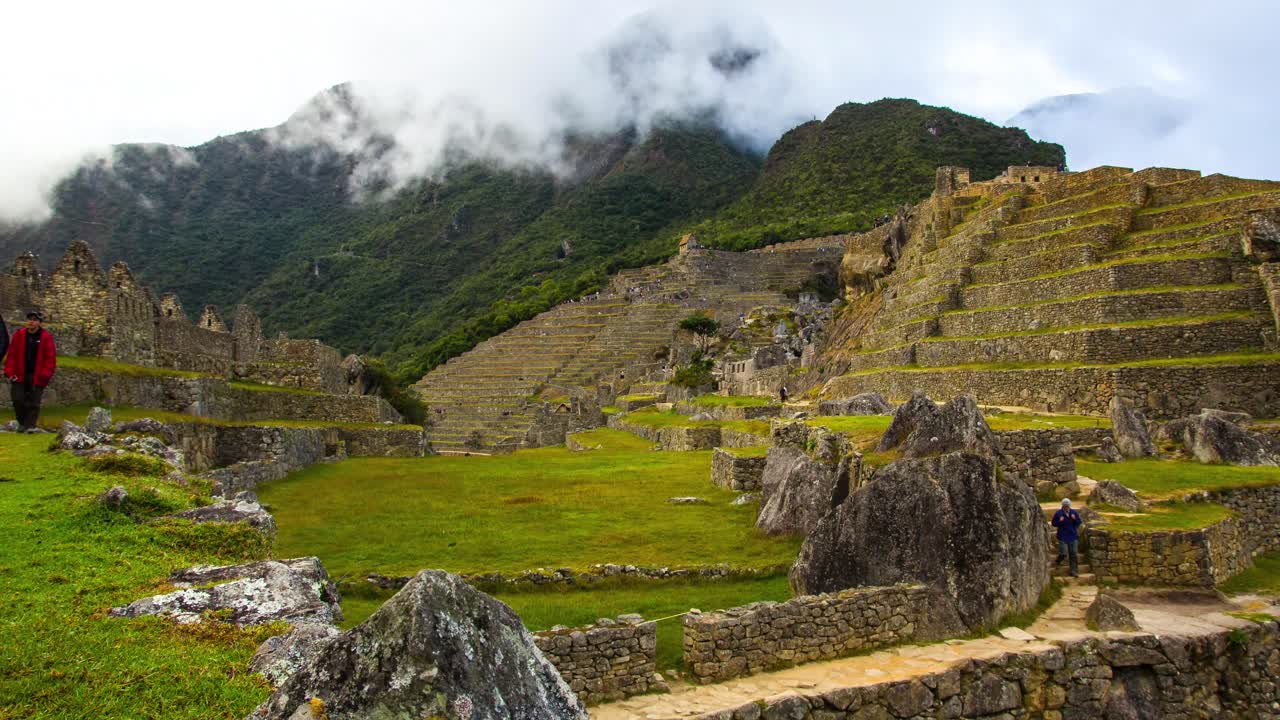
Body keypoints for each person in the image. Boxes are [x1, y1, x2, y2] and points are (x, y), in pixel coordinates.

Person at [5, 311, 56, 432]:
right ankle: (22, 423)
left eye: (34, 319)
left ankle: (30, 426)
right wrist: (9, 371)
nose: (31, 322)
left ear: (39, 322)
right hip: (19, 373)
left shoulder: (45, 337)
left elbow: (50, 358)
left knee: (34, 401)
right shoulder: (19, 335)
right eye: (29, 319)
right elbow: (12, 354)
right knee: (18, 399)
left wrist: (45, 374)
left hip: (37, 375)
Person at [1051, 498, 1083, 577]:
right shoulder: (1058, 513)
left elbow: (1079, 522)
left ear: (1069, 506)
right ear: (1062, 506)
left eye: (1068, 506)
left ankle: (1074, 571)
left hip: (1073, 536)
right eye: (1065, 506)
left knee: (1074, 554)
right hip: (1063, 536)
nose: (1066, 508)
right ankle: (1058, 560)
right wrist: (1060, 521)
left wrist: (1074, 519)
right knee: (1064, 553)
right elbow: (1054, 523)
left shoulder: (1074, 513)